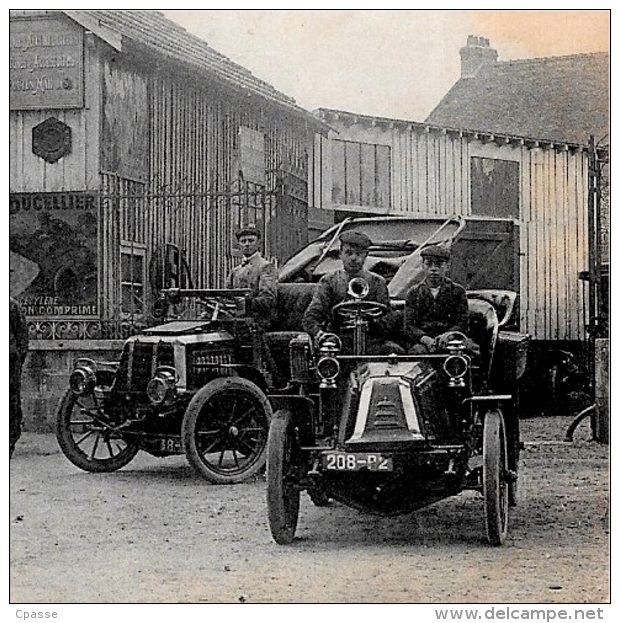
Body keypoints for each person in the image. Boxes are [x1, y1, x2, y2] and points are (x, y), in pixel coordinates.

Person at [303, 230, 402, 354]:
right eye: (349, 253)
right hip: (339, 339)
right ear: (340, 254)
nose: (354, 258)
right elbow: (310, 317)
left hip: (371, 340)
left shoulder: (377, 282)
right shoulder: (329, 281)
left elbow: (388, 316)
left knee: (395, 352)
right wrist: (321, 335)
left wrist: (374, 323)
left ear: (366, 255)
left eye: (359, 254)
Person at [404, 244, 470, 354]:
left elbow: (463, 322)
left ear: (447, 266)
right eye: (429, 264)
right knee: (418, 353)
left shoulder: (457, 291)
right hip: (423, 342)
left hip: (451, 339)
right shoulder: (413, 293)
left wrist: (449, 335)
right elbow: (409, 326)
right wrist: (425, 339)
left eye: (439, 265)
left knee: (459, 353)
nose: (433, 269)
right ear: (422, 266)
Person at [226, 225, 277, 329]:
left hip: (257, 320)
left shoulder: (266, 266)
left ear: (258, 243)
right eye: (243, 241)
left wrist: (246, 303)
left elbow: (268, 299)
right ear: (238, 245)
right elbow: (227, 295)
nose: (247, 244)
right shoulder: (235, 271)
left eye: (251, 241)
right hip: (236, 317)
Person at [10, 297, 29, 458]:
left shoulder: (12, 306)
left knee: (11, 404)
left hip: (9, 363)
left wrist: (16, 360)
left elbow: (22, 337)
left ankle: (9, 442)